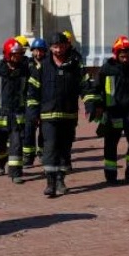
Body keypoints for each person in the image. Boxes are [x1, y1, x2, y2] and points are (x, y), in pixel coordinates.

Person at [28, 32, 87, 197]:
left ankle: (61, 179)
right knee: (50, 146)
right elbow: (32, 92)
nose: (58, 49)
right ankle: (50, 182)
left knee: (65, 148)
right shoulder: (42, 67)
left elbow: (85, 86)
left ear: (67, 45)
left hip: (69, 115)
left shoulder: (75, 65)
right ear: (50, 48)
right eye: (55, 46)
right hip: (48, 115)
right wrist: (33, 114)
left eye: (61, 46)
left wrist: (90, 104)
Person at [88, 35, 129, 184]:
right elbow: (96, 89)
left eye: (128, 53)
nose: (125, 57)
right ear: (117, 53)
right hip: (113, 112)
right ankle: (111, 174)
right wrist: (98, 107)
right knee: (111, 143)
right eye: (122, 54)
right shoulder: (107, 68)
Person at [0, 37, 31, 183]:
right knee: (0, 146)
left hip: (17, 115)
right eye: (16, 54)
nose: (19, 57)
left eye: (20, 54)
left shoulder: (24, 71)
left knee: (16, 144)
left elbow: (29, 92)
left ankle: (16, 173)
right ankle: (0, 162)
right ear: (8, 54)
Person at [22, 37, 49, 167]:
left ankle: (42, 153)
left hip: (45, 100)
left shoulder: (49, 64)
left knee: (44, 129)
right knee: (29, 129)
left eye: (41, 51)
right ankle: (28, 156)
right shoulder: (27, 64)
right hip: (30, 100)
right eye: (36, 51)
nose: (38, 54)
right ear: (32, 51)